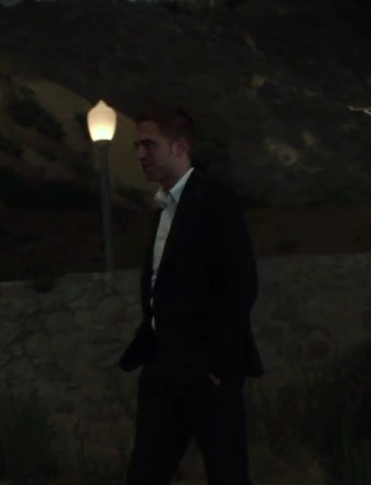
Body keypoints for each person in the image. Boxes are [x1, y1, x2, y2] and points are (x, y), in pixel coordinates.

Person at [119, 104, 264, 485]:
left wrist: (215, 363)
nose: (140, 154)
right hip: (164, 367)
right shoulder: (164, 208)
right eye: (137, 146)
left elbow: (240, 285)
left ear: (180, 147)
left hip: (205, 371)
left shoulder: (214, 201)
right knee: (145, 474)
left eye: (148, 145)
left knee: (227, 473)